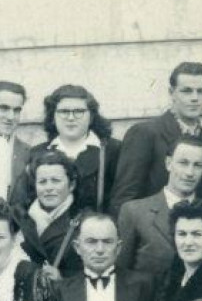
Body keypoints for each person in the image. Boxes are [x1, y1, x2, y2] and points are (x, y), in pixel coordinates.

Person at [111, 61, 202, 210]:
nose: (195, 98)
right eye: (186, 91)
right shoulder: (145, 133)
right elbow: (124, 198)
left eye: (201, 91)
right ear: (171, 93)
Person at [14, 85, 122, 215]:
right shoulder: (37, 153)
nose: (71, 118)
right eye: (64, 112)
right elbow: (22, 203)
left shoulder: (113, 150)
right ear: (53, 117)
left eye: (79, 111)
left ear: (91, 116)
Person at [117, 136, 202, 278]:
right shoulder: (134, 212)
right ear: (168, 163)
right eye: (183, 163)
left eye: (197, 165)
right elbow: (121, 271)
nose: (189, 173)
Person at [14, 152, 83, 276]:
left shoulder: (85, 222)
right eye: (42, 182)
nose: (48, 188)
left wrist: (62, 279)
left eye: (56, 181)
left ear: (71, 185)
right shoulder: (18, 216)